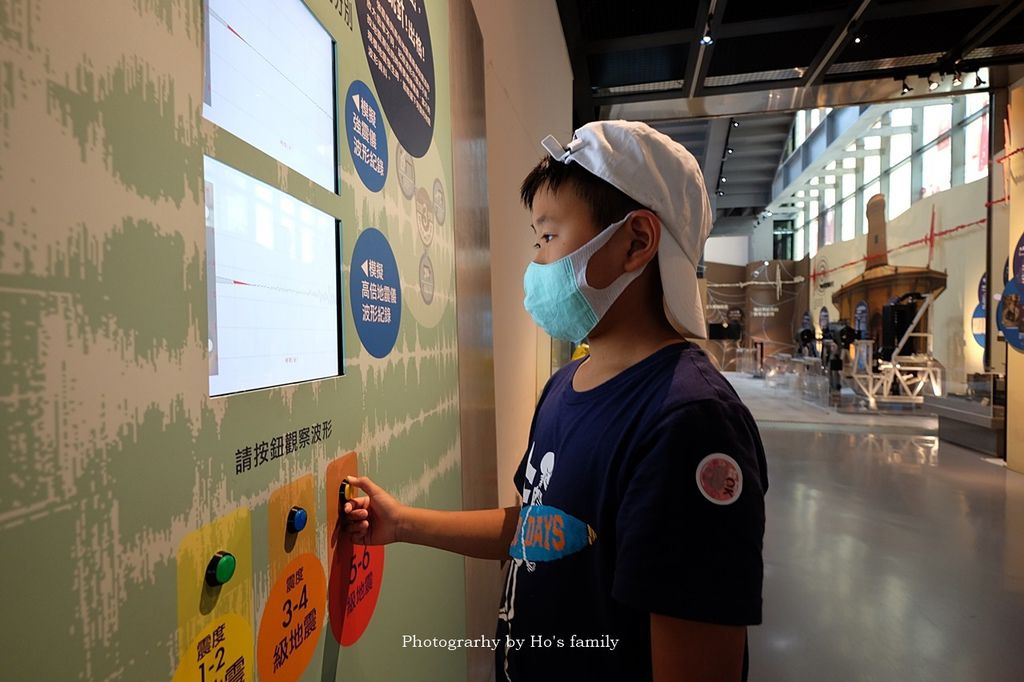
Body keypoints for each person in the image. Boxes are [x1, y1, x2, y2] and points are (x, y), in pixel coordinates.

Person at [342, 120, 768, 682]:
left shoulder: (689, 423)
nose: (536, 264)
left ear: (637, 241)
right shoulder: (567, 384)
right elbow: (537, 529)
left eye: (548, 237)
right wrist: (402, 524)